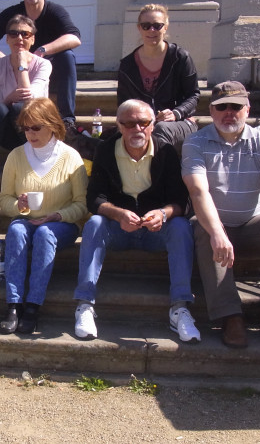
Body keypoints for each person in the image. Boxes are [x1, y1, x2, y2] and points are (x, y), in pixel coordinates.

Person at [182, 81, 260, 349]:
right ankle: (230, 317)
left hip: (252, 224)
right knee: (202, 228)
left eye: (235, 106)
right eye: (221, 107)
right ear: (211, 112)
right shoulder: (196, 143)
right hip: (215, 226)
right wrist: (217, 233)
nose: (229, 112)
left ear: (247, 110)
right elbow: (198, 192)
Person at [72, 99, 199, 343]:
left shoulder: (167, 152)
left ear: (153, 125)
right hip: (119, 231)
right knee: (94, 224)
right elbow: (94, 198)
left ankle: (180, 308)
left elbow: (182, 202)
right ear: (119, 125)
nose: (137, 129)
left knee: (182, 226)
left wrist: (162, 214)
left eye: (143, 122)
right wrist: (118, 214)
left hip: (156, 231)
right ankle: (85, 304)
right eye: (130, 123)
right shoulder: (106, 151)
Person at [0, 98, 87, 335]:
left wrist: (57, 215)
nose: (30, 133)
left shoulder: (70, 157)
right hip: (27, 220)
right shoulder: (16, 156)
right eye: (26, 128)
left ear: (52, 125)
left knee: (46, 233)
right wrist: (20, 205)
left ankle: (33, 307)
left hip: (61, 224)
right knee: (16, 230)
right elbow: (3, 200)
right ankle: (14, 305)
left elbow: (81, 205)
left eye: (36, 127)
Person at [0, 0, 80, 128]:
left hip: (43, 71)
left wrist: (42, 50)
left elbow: (74, 37)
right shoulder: (12, 13)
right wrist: (3, 59)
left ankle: (67, 119)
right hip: (13, 72)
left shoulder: (55, 12)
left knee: (67, 56)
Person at [117, 4, 199, 146]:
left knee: (160, 130)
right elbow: (123, 103)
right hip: (143, 123)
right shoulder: (127, 65)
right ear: (139, 28)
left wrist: (176, 113)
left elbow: (194, 95)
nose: (151, 30)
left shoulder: (180, 58)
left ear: (165, 27)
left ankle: (160, 168)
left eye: (157, 25)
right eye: (146, 26)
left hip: (181, 121)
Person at [0, 15, 51, 155]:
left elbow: (29, 99)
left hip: (37, 128)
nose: (19, 38)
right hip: (10, 131)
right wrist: (10, 98)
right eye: (13, 34)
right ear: (7, 39)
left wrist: (22, 65)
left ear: (32, 40)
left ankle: (35, 157)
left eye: (25, 34)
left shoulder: (44, 64)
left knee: (20, 108)